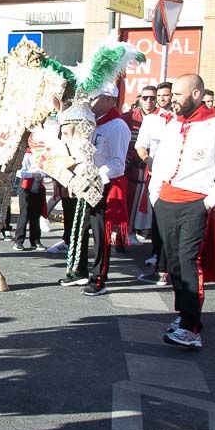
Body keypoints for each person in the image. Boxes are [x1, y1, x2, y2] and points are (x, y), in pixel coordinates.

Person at [149, 74, 215, 350]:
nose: (173, 100)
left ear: (196, 94)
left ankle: (191, 328)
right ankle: (184, 314)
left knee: (188, 261)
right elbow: (160, 163)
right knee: (173, 262)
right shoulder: (173, 126)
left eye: (178, 95)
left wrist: (208, 202)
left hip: (194, 203)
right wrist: (156, 197)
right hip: (166, 202)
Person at [63, 83, 130, 296]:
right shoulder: (94, 123)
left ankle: (99, 277)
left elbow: (118, 163)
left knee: (101, 233)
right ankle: (80, 270)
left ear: (109, 100)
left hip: (105, 186)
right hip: (88, 183)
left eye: (96, 98)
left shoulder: (117, 126)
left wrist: (95, 177)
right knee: (81, 228)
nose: (90, 102)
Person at [135, 82, 175, 285]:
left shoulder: (180, 119)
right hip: (157, 176)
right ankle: (159, 257)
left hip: (177, 177)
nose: (161, 99)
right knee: (157, 218)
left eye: (165, 95)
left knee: (170, 221)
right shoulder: (150, 120)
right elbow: (140, 145)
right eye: (159, 95)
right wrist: (147, 159)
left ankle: (166, 264)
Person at [123, 86, 158, 240]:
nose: (149, 101)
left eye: (152, 98)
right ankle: (128, 233)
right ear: (139, 99)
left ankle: (147, 231)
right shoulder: (129, 117)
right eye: (145, 98)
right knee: (132, 200)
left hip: (156, 167)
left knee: (153, 203)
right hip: (134, 166)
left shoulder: (162, 117)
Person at [14, 147, 46, 251]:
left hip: (39, 185)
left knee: (36, 215)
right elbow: (19, 172)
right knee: (24, 214)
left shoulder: (44, 153)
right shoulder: (26, 154)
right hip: (26, 186)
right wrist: (33, 174)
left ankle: (35, 241)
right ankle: (18, 241)